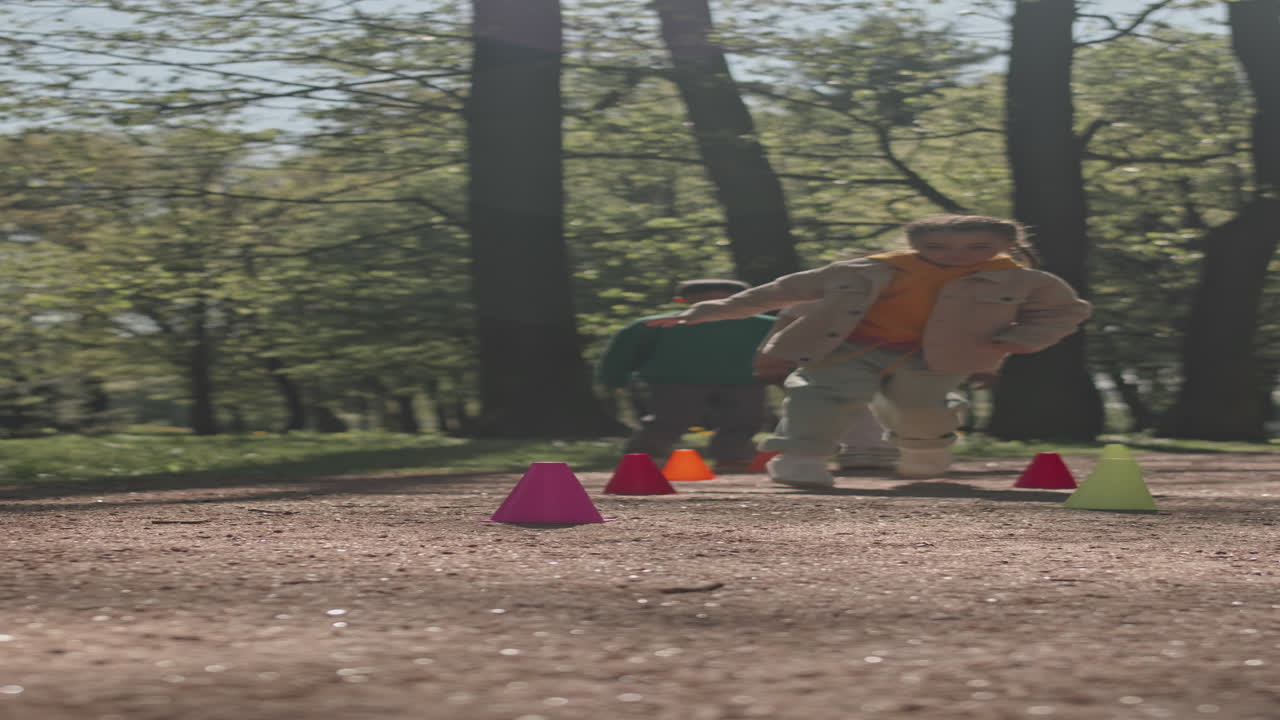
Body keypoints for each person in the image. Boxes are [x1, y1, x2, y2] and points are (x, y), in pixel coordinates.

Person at [648, 215, 1092, 488]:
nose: (956, 255)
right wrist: (700, 313)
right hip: (850, 345)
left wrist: (1020, 339)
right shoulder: (867, 270)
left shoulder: (1027, 282)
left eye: (977, 247)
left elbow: (1066, 313)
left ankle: (924, 451)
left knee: (924, 405)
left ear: (1006, 246)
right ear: (914, 243)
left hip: (935, 354)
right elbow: (774, 293)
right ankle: (802, 457)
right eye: (937, 247)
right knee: (821, 394)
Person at [597, 279, 777, 472]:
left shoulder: (653, 324)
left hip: (732, 381)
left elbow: (622, 354)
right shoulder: (655, 325)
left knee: (739, 420)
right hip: (691, 381)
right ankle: (644, 459)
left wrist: (614, 378)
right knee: (674, 420)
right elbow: (624, 351)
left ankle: (732, 457)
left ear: (681, 300)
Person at [753, 302, 899, 471]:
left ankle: (873, 449)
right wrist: (769, 354)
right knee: (819, 399)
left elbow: (788, 318)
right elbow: (790, 317)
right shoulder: (827, 285)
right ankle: (796, 457)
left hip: (885, 355)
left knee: (827, 399)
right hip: (830, 358)